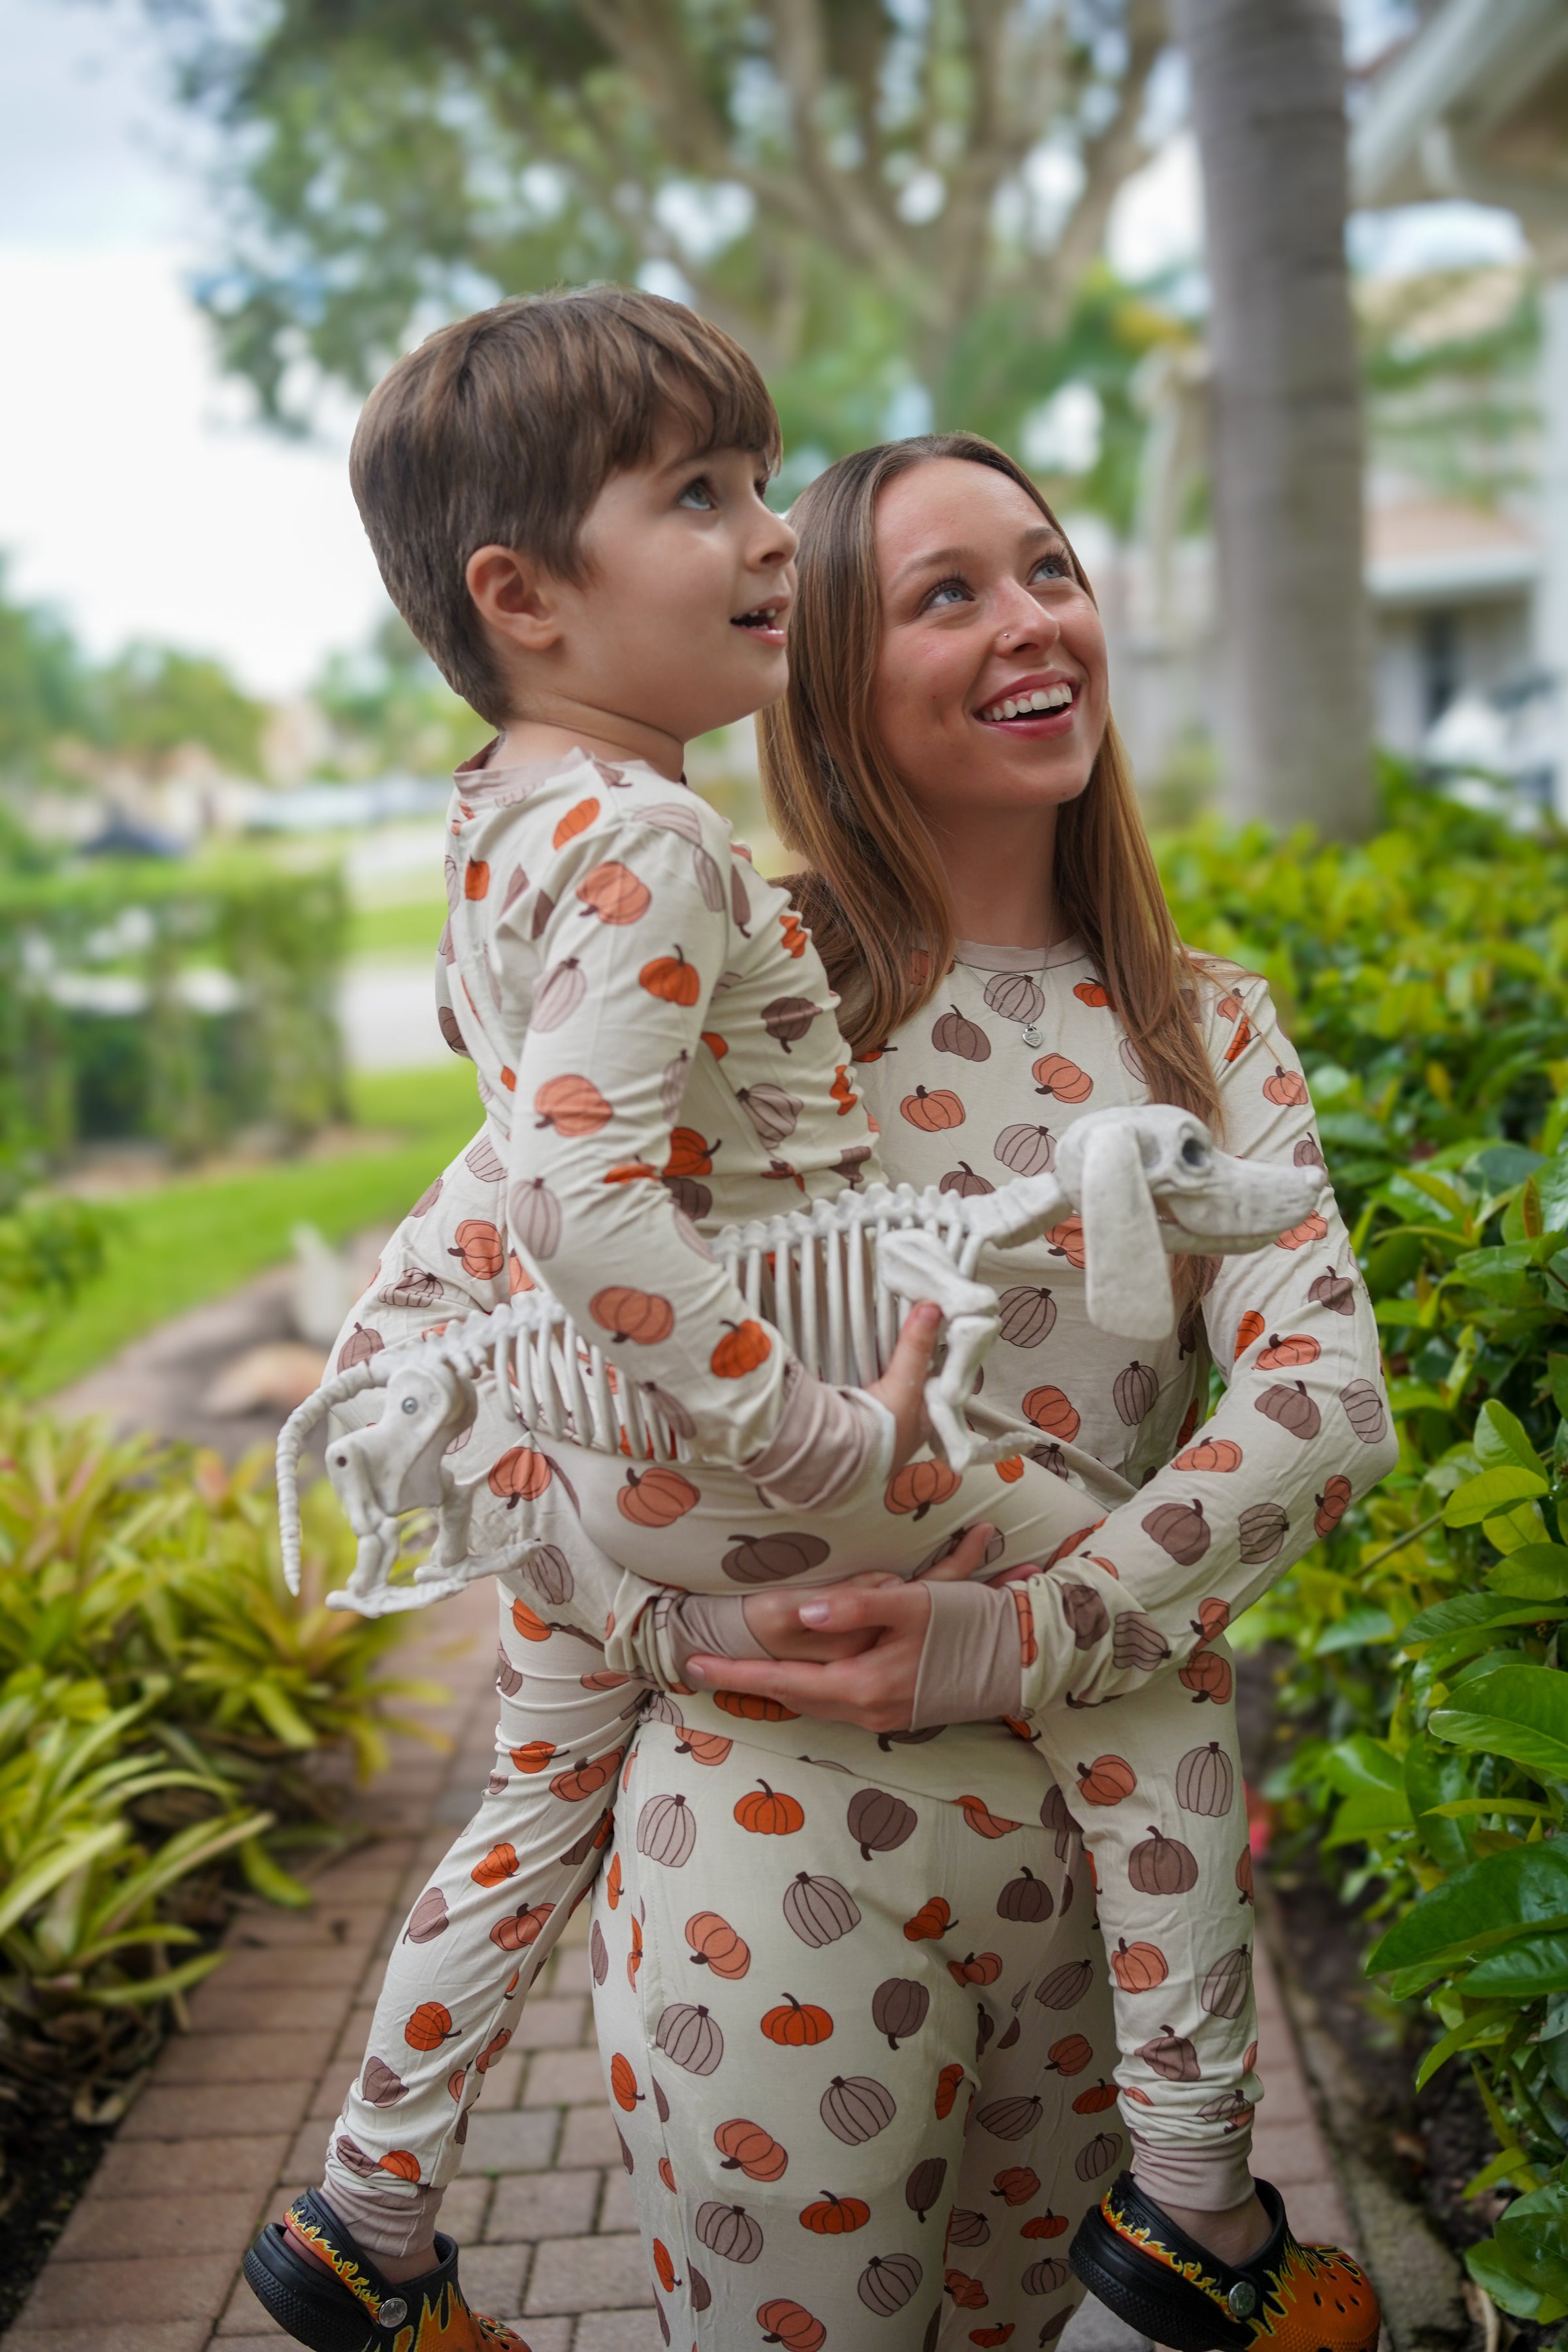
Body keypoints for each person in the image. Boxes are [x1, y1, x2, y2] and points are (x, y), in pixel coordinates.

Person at [243, 292, 1389, 2352]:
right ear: (825, 666)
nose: (1034, 624)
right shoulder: (737, 979)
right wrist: (654, 1619)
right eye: (949, 594)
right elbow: (472, 1334)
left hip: (1088, 1888)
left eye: (1051, 569)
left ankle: (1195, 2208)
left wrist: (1027, 1628)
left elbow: (1323, 1404)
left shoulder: (1206, 1029)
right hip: (765, 1860)